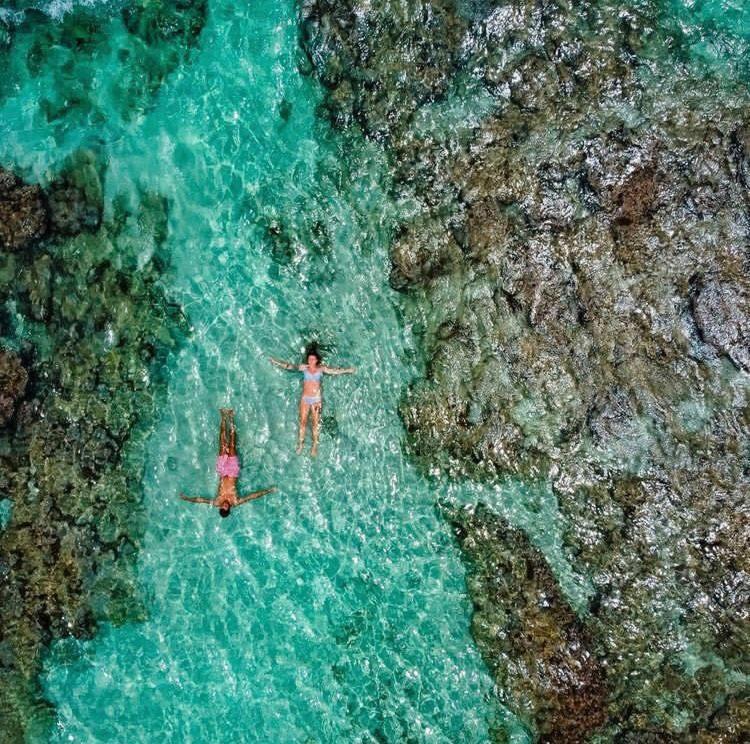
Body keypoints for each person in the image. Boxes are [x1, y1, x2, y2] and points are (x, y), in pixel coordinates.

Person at [180, 409, 276, 517]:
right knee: (232, 445)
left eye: (222, 506)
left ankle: (223, 417)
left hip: (222, 470)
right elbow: (252, 496)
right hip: (232, 471)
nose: (224, 504)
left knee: (222, 444)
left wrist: (187, 498)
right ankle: (231, 418)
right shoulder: (235, 501)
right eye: (225, 507)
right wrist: (268, 490)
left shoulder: (217, 502)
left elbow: (201, 500)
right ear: (229, 509)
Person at [270, 348, 355, 456]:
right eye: (309, 359)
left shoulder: (321, 369)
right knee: (303, 422)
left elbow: (335, 371)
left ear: (316, 361)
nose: (310, 361)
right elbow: (289, 366)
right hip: (305, 399)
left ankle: (315, 445)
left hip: (316, 400)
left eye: (312, 359)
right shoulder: (303, 368)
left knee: (315, 424)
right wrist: (276, 362)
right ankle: (301, 444)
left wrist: (347, 370)